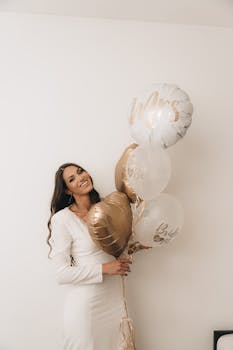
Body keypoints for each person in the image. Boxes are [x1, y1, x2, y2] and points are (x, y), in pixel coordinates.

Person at [47, 162, 147, 350]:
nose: (80, 177)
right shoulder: (62, 219)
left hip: (115, 302)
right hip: (86, 307)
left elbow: (115, 250)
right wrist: (104, 269)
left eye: (80, 172)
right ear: (67, 191)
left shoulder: (108, 208)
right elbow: (61, 274)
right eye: (72, 179)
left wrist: (137, 247)